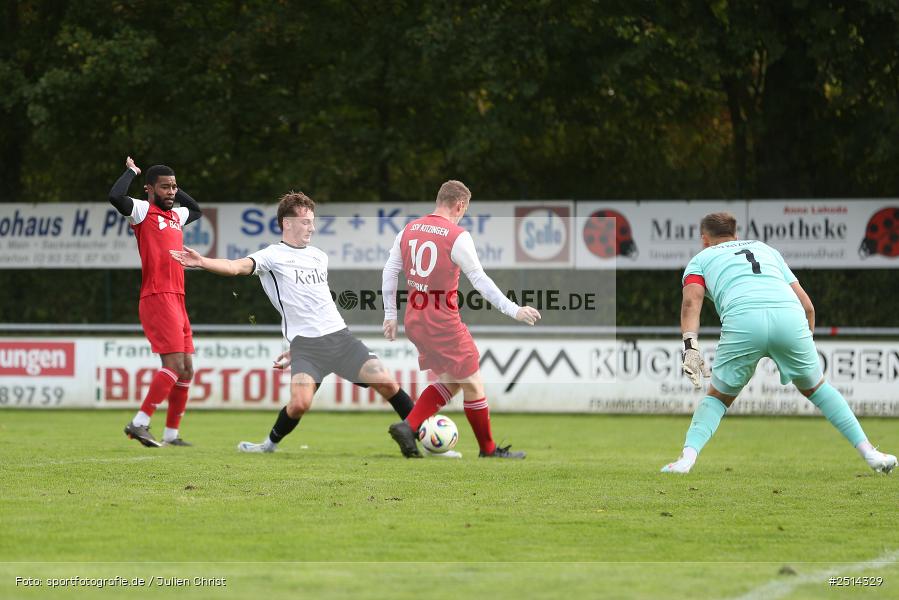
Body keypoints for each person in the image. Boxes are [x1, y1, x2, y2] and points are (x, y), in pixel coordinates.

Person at [170, 191, 418, 453]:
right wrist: (202, 261)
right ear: (287, 223)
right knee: (300, 404)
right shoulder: (271, 256)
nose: (312, 227)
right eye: (305, 222)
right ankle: (268, 446)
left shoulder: (319, 256)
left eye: (312, 221)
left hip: (340, 340)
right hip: (308, 349)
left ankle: (425, 437)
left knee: (387, 382)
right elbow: (234, 267)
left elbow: (317, 303)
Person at [661, 212, 896, 474]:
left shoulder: (700, 259)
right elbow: (808, 306)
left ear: (704, 239)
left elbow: (691, 302)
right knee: (818, 388)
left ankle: (686, 460)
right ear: (736, 235)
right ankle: (871, 453)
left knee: (718, 398)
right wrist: (803, 342)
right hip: (789, 318)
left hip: (744, 321)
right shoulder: (765, 249)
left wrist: (690, 346)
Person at [382, 180, 542, 459]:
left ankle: (409, 426)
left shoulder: (408, 229)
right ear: (459, 205)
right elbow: (480, 280)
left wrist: (390, 315)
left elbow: (389, 271)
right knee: (474, 383)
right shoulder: (456, 236)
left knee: (454, 380)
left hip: (415, 321)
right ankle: (488, 450)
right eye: (464, 210)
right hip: (442, 323)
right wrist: (514, 309)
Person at [109, 156, 202, 448]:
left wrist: (175, 188)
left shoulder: (176, 216)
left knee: (186, 368)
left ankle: (171, 435)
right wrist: (132, 172)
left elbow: (196, 210)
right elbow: (116, 197)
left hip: (178, 298)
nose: (171, 192)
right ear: (149, 189)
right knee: (173, 364)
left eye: (174, 187)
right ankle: (139, 422)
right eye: (165, 187)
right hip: (158, 296)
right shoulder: (142, 211)